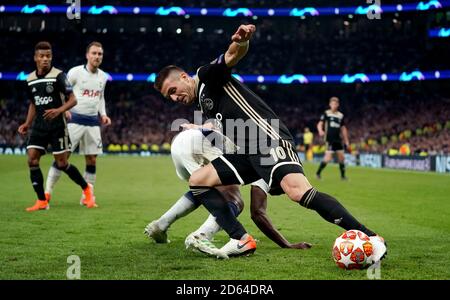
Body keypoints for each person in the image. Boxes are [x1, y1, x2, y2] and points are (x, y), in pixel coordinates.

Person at [154, 24, 386, 262]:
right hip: (246, 150)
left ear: (184, 77)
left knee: (298, 192)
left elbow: (232, 56)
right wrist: (202, 128)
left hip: (266, 137)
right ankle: (241, 239)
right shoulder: (202, 101)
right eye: (168, 97)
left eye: (173, 90)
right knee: (199, 180)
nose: (174, 98)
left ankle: (372, 238)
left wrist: (241, 41)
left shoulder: (204, 76)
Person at [144, 127, 311, 258]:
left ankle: (160, 225)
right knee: (236, 200)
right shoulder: (269, 167)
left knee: (204, 188)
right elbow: (258, 213)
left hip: (182, 141)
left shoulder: (266, 147)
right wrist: (286, 244)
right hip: (202, 145)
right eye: (281, 192)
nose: (277, 194)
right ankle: (202, 235)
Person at [18, 41, 95, 211]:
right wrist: (27, 123)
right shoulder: (29, 79)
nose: (45, 59)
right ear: (35, 58)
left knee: (61, 163)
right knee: (32, 159)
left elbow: (73, 99)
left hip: (57, 126)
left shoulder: (59, 75)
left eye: (48, 56)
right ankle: (41, 201)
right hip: (39, 126)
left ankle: (86, 189)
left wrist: (59, 110)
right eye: (42, 56)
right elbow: (33, 103)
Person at [45, 41, 111, 206]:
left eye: (100, 54)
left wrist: (103, 114)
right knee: (63, 157)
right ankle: (47, 193)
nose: (97, 56)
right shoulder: (75, 72)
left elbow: (100, 97)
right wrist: (64, 109)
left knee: (92, 160)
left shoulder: (103, 76)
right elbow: (61, 90)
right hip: (74, 120)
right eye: (94, 53)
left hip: (93, 123)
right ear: (87, 55)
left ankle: (87, 197)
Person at [316, 97, 350, 180]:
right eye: (332, 104)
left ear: (338, 105)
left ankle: (343, 176)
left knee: (341, 158)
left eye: (335, 104)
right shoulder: (326, 113)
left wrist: (346, 140)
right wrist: (320, 131)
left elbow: (343, 128)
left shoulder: (340, 115)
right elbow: (320, 124)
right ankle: (318, 173)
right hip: (329, 140)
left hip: (338, 140)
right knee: (328, 158)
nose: (334, 105)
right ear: (330, 104)